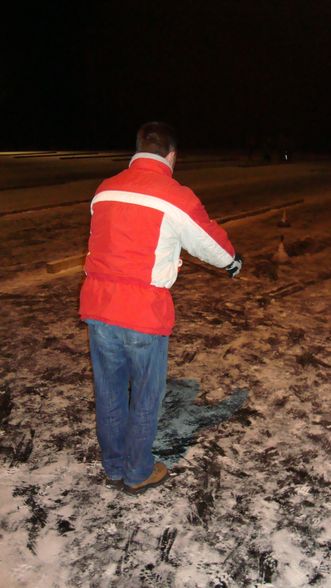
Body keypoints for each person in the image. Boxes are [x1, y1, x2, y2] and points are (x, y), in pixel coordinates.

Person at [79, 122, 242, 495]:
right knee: (146, 397)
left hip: (99, 308)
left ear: (138, 150)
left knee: (110, 391)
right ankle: (137, 472)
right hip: (142, 313)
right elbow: (210, 244)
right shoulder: (174, 195)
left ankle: (114, 464)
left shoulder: (105, 189)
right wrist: (233, 261)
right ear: (171, 155)